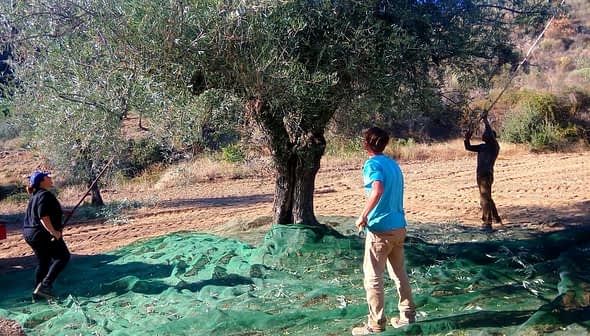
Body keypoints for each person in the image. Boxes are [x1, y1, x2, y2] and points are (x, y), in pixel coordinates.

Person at [352, 127, 416, 335]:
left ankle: (376, 323)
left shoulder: (372, 164)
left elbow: (377, 189)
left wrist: (363, 215)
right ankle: (407, 316)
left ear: (366, 144)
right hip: (399, 226)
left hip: (381, 229)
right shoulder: (393, 164)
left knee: (373, 276)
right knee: (399, 273)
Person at [23, 170, 71, 300]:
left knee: (44, 262)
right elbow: (43, 216)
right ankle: (45, 285)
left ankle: (37, 292)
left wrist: (63, 212)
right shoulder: (45, 195)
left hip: (30, 233)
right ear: (42, 181)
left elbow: (45, 211)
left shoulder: (36, 194)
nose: (50, 178)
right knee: (63, 256)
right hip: (42, 235)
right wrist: (53, 232)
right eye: (47, 177)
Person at [464, 117, 501, 230]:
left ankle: (487, 222)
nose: (483, 134)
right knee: (487, 197)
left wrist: (485, 120)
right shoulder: (482, 147)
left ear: (491, 137)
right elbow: (468, 147)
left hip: (486, 174)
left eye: (486, 133)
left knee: (484, 199)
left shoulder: (494, 147)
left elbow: (490, 132)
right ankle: (496, 218)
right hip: (480, 175)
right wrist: (467, 138)